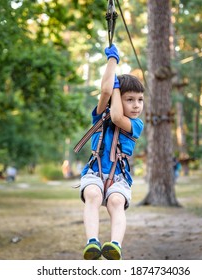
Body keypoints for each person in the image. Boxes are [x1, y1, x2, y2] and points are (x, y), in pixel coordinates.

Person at [79, 43, 144, 260]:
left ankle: (115, 245)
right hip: (95, 172)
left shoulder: (137, 125)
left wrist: (118, 87)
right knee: (93, 194)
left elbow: (117, 117)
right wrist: (112, 60)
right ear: (119, 98)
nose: (136, 105)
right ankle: (92, 242)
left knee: (116, 202)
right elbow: (106, 91)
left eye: (140, 100)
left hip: (118, 177)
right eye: (130, 99)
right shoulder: (100, 117)